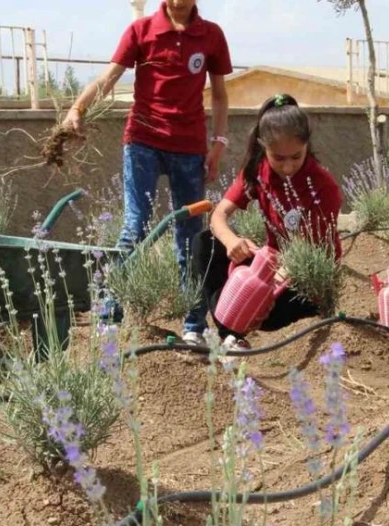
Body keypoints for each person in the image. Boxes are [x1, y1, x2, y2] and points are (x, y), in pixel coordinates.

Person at [63, 0, 232, 345]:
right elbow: (108, 78)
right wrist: (77, 108)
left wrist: (218, 144)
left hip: (189, 148)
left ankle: (194, 326)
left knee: (190, 236)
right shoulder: (141, 31)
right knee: (134, 228)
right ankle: (110, 316)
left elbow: (219, 96)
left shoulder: (211, 35)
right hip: (143, 143)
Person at [191, 94, 343, 351]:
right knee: (204, 243)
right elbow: (218, 215)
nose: (287, 167)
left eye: (296, 157)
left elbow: (311, 255)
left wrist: (263, 286)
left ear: (307, 145)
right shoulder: (257, 172)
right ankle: (231, 335)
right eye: (278, 158)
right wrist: (232, 242)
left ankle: (237, 321)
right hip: (268, 267)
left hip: (303, 285)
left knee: (259, 304)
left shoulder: (323, 187)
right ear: (264, 148)